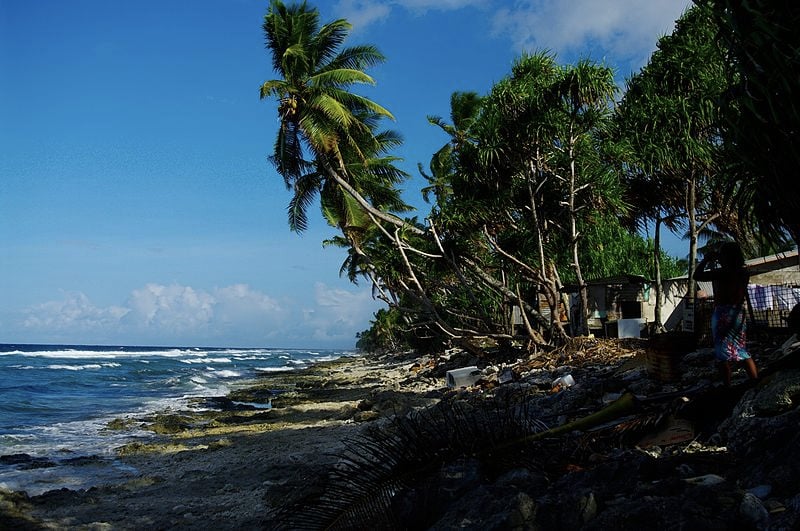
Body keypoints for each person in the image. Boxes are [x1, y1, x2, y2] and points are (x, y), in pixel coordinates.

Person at [693, 241, 759, 386]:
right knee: (741, 350)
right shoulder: (743, 272)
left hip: (723, 313)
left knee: (722, 352)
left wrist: (706, 259)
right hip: (738, 313)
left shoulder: (722, 273)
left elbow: (697, 276)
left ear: (726, 257)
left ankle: (727, 386)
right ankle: (755, 382)